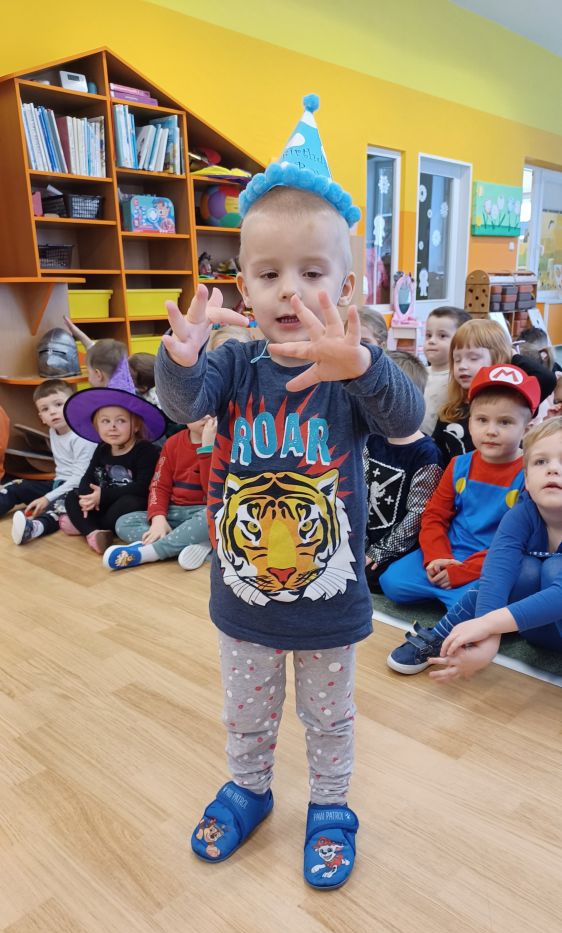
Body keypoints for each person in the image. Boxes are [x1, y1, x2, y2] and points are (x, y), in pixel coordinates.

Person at [154, 95, 424, 889]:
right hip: (243, 598)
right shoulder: (236, 364)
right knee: (246, 711)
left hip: (329, 601)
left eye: (312, 273)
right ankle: (249, 788)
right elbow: (185, 406)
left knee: (329, 718)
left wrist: (365, 366)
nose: (289, 292)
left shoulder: (351, 372)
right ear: (243, 285)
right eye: (269, 274)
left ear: (348, 283)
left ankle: (332, 807)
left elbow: (409, 423)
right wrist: (179, 358)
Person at [388, 416, 562, 679]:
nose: (553, 469)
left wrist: (486, 624)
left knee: (553, 568)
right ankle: (442, 635)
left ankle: (462, 629)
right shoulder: (521, 514)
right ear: (526, 479)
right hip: (538, 628)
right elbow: (496, 576)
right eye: (541, 462)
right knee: (521, 568)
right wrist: (486, 643)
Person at [380, 364, 540, 626]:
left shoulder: (529, 474)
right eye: (482, 420)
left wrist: (462, 572)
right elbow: (434, 516)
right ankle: (446, 590)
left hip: (492, 560)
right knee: (392, 582)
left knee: (478, 606)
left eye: (505, 422)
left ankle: (451, 594)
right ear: (470, 422)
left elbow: (519, 543)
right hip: (450, 550)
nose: (491, 430)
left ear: (527, 429)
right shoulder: (459, 465)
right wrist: (437, 557)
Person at [62, 358, 164, 555]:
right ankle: (93, 532)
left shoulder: (145, 450)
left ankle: (87, 526)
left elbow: (143, 487)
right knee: (71, 497)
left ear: (136, 425)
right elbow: (88, 476)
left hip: (124, 504)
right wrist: (86, 496)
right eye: (105, 421)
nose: (113, 427)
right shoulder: (102, 448)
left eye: (121, 421)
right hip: (102, 502)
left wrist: (103, 496)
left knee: (131, 502)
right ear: (97, 426)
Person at [364, 351, 444, 589]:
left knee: (374, 578)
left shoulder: (426, 454)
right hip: (363, 538)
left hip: (398, 547)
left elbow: (417, 514)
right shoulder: (372, 438)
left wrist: (381, 551)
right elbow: (359, 489)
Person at [102, 415, 217, 572]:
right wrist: (158, 518)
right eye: (198, 411)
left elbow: (214, 493)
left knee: (216, 514)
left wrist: (208, 449)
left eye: (212, 410)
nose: (207, 416)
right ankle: (192, 542)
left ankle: (150, 553)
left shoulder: (227, 442)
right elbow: (159, 485)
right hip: (175, 513)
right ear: (183, 414)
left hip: (204, 512)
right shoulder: (172, 443)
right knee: (123, 523)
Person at [3, 380, 95, 543]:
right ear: (41, 418)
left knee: (61, 505)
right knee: (17, 486)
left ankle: (35, 528)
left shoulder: (82, 436)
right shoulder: (54, 430)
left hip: (80, 487)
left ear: (73, 405)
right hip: (58, 483)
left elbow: (79, 478)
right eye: (45, 409)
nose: (53, 412)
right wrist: (49, 494)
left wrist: (47, 498)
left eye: (58, 404)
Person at [432, 319, 512, 461]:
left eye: (473, 358)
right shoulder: (450, 412)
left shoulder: (511, 410)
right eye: (457, 360)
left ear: (498, 359)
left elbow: (545, 378)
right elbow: (437, 455)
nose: (462, 366)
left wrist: (513, 355)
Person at [420, 306, 471, 435]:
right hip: (417, 441)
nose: (432, 341)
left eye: (442, 336)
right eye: (428, 335)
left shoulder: (461, 377)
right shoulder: (419, 372)